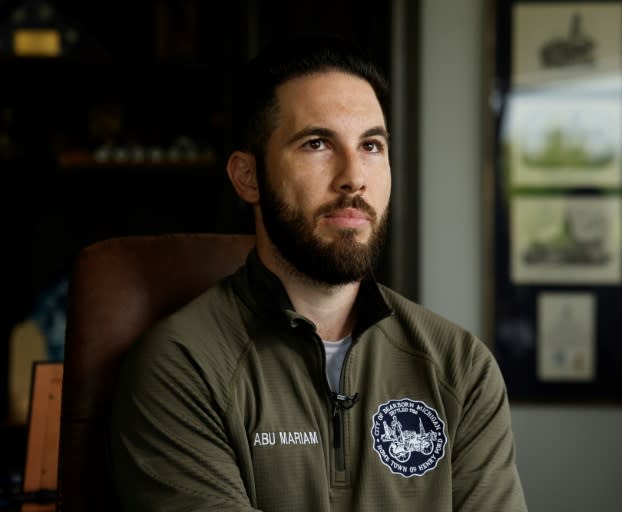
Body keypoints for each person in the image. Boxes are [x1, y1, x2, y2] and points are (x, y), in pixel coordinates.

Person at [110, 35, 527, 512]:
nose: (354, 176)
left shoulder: (460, 367)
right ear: (248, 177)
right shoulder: (184, 366)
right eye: (317, 144)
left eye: (371, 145)